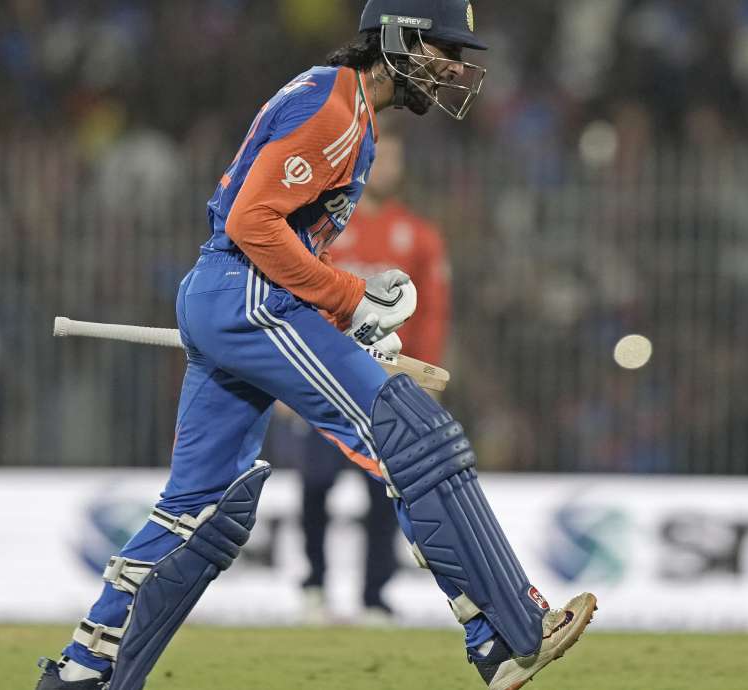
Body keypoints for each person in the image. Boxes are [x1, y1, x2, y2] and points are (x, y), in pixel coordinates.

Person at [34, 3, 596, 689]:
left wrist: (349, 323)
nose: (455, 68)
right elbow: (252, 224)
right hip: (248, 296)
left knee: (203, 510)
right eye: (445, 49)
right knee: (412, 434)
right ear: (397, 37)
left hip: (234, 296)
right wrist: (351, 298)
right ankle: (506, 633)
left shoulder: (343, 105)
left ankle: (84, 673)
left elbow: (284, 239)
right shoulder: (335, 112)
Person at [290, 127, 451, 623]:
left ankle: (374, 596)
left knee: (385, 492)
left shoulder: (419, 235)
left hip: (386, 386)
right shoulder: (325, 229)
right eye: (379, 159)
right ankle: (314, 585)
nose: (385, 169)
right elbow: (300, 300)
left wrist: (424, 379)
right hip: (326, 378)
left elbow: (432, 314)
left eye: (393, 160)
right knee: (315, 484)